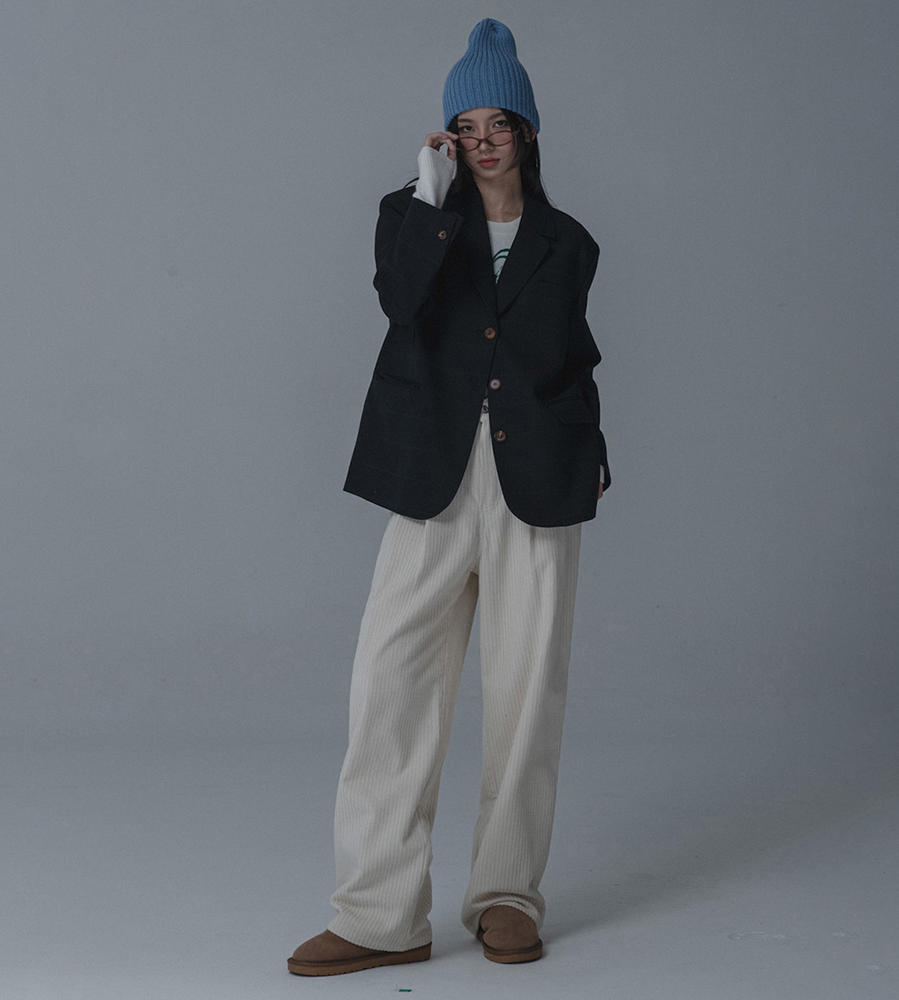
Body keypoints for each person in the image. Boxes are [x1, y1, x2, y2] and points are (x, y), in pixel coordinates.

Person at [288, 18, 610, 977]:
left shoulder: (569, 243)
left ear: (527, 129)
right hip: (432, 474)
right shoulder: (415, 213)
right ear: (448, 137)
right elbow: (400, 302)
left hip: (537, 480)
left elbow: (574, 357)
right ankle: (381, 914)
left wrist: (588, 451)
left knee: (527, 692)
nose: (483, 140)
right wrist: (430, 197)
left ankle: (507, 895)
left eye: (498, 121)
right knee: (390, 684)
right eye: (465, 126)